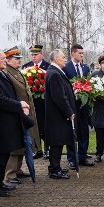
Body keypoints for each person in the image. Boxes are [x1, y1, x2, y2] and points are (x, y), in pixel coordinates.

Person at [0, 50, 30, 197]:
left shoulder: (0, 72)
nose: (5, 61)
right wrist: (19, 105)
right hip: (0, 122)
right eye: (2, 59)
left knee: (4, 155)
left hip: (8, 120)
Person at [3, 46, 39, 183]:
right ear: (8, 60)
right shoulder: (8, 73)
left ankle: (17, 169)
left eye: (19, 59)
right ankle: (10, 173)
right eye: (16, 59)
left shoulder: (17, 72)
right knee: (16, 145)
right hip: (18, 111)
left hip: (25, 111)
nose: (19, 61)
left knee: (23, 143)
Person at [44, 49, 75, 179]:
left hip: (58, 115)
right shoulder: (54, 73)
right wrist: (69, 112)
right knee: (56, 142)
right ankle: (54, 169)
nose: (65, 59)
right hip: (57, 116)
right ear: (56, 59)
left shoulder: (55, 72)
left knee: (58, 141)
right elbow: (59, 97)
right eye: (63, 57)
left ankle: (56, 167)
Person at [63, 44, 94, 168]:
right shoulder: (66, 67)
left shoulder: (85, 67)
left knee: (84, 130)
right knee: (72, 129)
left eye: (82, 53)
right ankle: (72, 158)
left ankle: (82, 155)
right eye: (79, 53)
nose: (81, 55)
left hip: (83, 104)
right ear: (72, 54)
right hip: (72, 103)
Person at [22, 45, 50, 159]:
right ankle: (37, 149)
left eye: (36, 54)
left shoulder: (47, 66)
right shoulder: (26, 66)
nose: (34, 57)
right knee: (35, 127)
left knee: (45, 126)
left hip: (44, 101)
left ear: (41, 54)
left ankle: (47, 149)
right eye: (32, 55)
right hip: (32, 102)